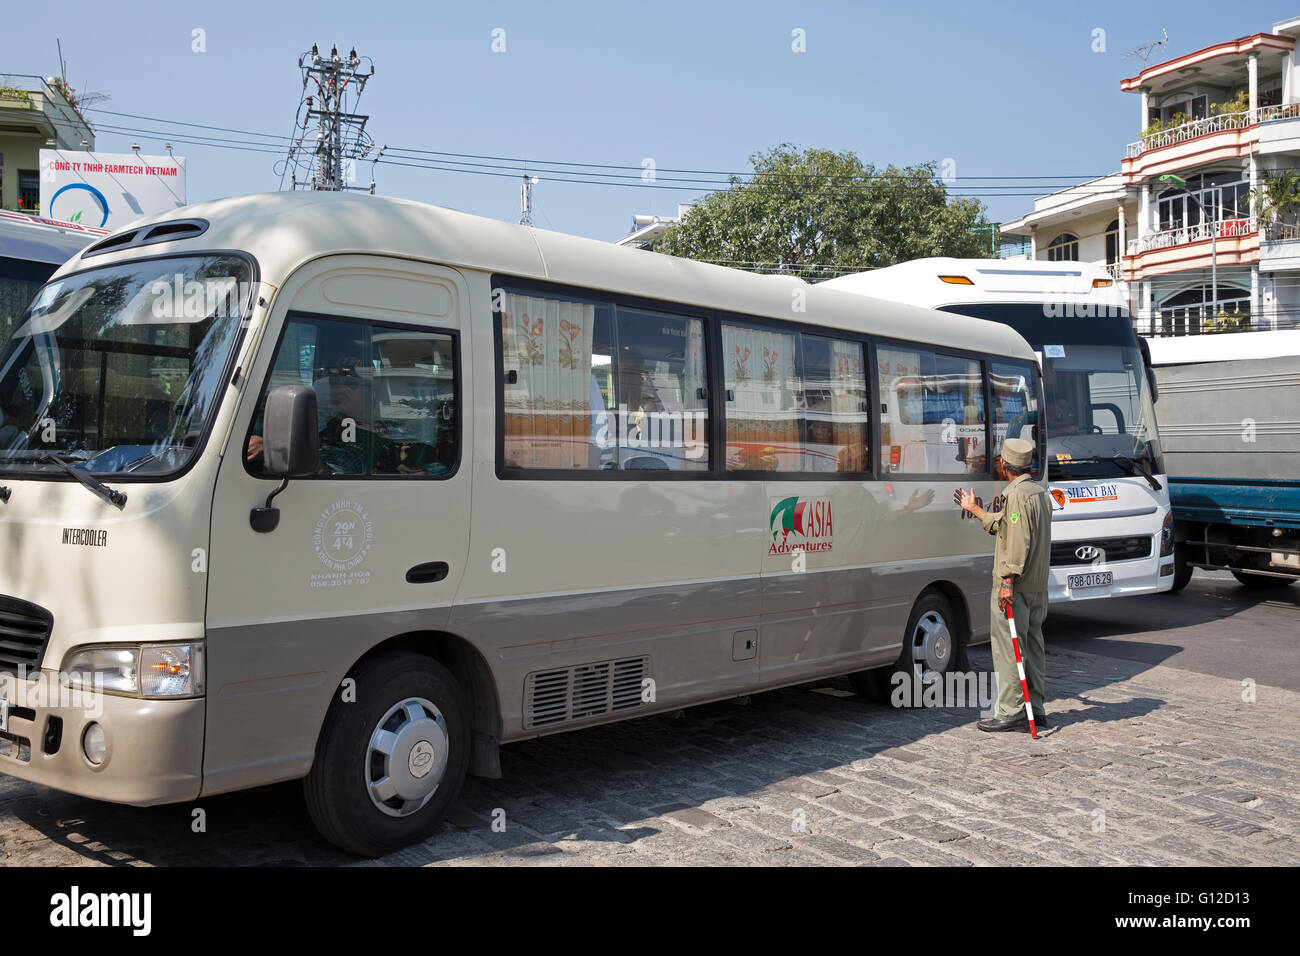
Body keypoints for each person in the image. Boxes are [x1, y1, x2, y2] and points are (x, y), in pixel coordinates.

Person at [954, 437, 1051, 732]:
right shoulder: (1038, 492)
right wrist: (976, 510)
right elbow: (1008, 525)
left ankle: (1010, 712)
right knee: (1033, 646)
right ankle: (1035, 708)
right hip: (1036, 586)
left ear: (1004, 466)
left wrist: (1007, 580)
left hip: (1016, 587)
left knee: (1010, 649)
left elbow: (1018, 542)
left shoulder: (1016, 496)